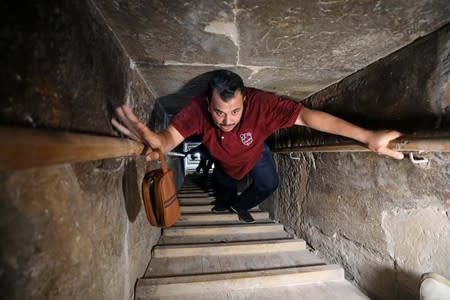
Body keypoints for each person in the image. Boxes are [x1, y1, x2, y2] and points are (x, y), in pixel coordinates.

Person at [112, 70, 403, 223]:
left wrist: (366, 136)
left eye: (235, 111)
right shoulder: (196, 109)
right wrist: (158, 140)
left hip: (256, 156)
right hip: (223, 164)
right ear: (208, 104)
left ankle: (241, 206)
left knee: (270, 184)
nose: (227, 120)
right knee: (223, 189)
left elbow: (307, 116)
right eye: (219, 112)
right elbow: (170, 138)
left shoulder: (263, 105)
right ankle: (224, 204)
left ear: (245, 102)